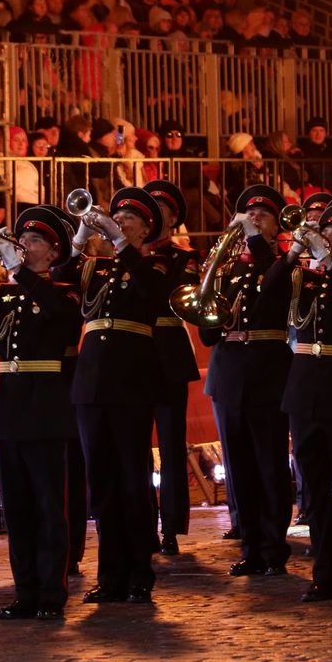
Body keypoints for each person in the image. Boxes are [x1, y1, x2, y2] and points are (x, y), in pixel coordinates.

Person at [0, 206, 81, 619]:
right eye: (23, 239)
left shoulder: (64, 288)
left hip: (45, 403)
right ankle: (25, 591)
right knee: (18, 507)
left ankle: (51, 592)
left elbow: (62, 318)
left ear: (53, 251)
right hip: (9, 404)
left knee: (47, 505)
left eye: (36, 240)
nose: (25, 245)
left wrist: (18, 271)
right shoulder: (5, 293)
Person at [256, 198, 332, 602]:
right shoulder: (302, 278)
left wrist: (328, 259)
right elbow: (268, 290)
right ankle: (323, 571)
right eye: (326, 233)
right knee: (314, 487)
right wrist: (292, 251)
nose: (328, 239)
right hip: (304, 388)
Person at [69, 187, 166, 603]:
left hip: (130, 382)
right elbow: (57, 277)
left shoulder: (154, 265)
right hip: (91, 384)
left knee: (132, 480)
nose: (120, 222)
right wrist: (78, 234)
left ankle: (140, 571)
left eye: (130, 220)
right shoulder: (95, 267)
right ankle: (110, 574)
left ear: (146, 229)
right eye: (118, 217)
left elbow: (153, 295)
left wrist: (123, 243)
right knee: (103, 483)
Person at [199, 184, 295, 576]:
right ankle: (251, 545)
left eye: (264, 216)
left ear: (276, 227)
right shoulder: (226, 269)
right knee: (238, 467)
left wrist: (256, 241)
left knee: (269, 463)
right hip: (228, 373)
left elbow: (278, 288)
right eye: (249, 214)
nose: (254, 219)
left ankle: (275, 545)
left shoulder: (283, 263)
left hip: (266, 371)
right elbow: (208, 333)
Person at [143, 180, 202, 557]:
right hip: (133, 353)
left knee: (170, 443)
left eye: (163, 209)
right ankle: (144, 522)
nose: (157, 215)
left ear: (174, 216)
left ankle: (172, 525)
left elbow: (180, 296)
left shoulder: (184, 257)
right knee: (136, 448)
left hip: (168, 352)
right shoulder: (123, 254)